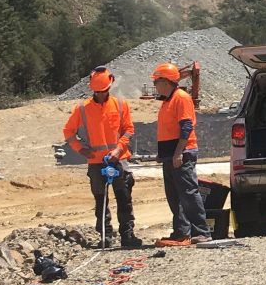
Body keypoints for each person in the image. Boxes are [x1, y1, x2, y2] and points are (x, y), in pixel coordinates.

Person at [61, 67, 140, 249]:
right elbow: (68, 132)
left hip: (119, 160)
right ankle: (105, 236)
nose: (101, 95)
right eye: (97, 92)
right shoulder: (82, 109)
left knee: (124, 198)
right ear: (92, 89)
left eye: (103, 91)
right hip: (97, 163)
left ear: (109, 87)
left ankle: (127, 235)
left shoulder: (120, 105)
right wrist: (81, 149)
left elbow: (128, 130)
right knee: (100, 201)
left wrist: (119, 149)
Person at [152, 62, 211, 242]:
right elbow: (168, 130)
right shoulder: (167, 101)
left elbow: (186, 127)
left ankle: (202, 232)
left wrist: (178, 153)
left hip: (182, 153)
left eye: (156, 81)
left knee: (188, 193)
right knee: (174, 196)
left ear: (167, 81)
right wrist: (162, 153)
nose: (155, 85)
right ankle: (181, 231)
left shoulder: (181, 97)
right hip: (171, 154)